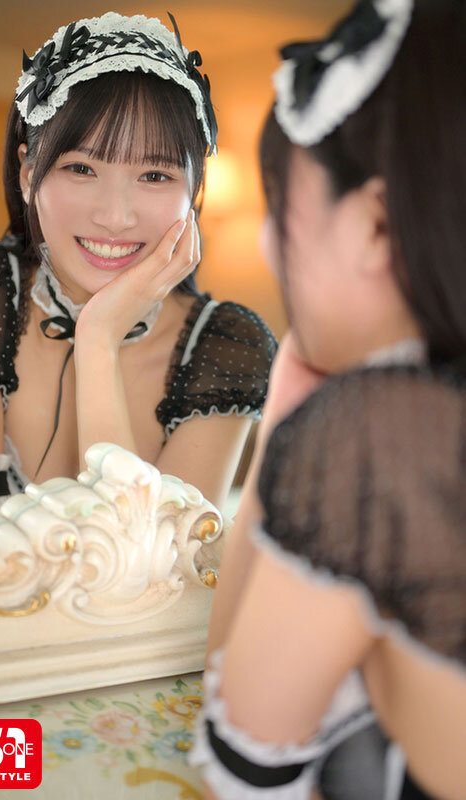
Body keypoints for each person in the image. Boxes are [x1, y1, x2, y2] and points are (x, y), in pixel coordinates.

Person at [192, 1, 466, 798]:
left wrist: (291, 430)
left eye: (281, 203)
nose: (268, 243)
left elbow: (242, 769)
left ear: (375, 225)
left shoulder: (382, 440)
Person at [0, 11, 277, 541]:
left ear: (193, 192)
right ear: (28, 173)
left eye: (155, 175)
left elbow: (146, 577)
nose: (116, 217)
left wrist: (98, 339)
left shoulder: (225, 349)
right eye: (82, 168)